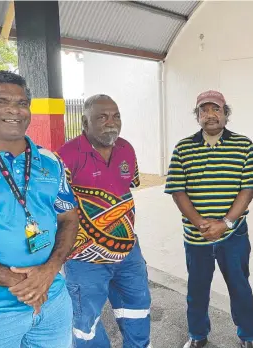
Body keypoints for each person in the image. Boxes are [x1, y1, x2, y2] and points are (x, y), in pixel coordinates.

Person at [0, 70, 79, 347]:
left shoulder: (50, 161)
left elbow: (68, 218)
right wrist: (24, 283)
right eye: (1, 101)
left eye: (21, 103)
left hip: (53, 300)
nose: (14, 110)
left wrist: (49, 271)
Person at [165, 90, 253, 348]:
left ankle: (247, 336)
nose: (210, 115)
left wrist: (225, 223)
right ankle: (197, 335)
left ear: (225, 114)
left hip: (234, 234)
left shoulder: (243, 145)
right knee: (197, 290)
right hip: (196, 236)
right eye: (203, 110)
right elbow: (177, 190)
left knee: (240, 288)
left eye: (216, 109)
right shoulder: (183, 148)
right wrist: (200, 223)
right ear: (197, 116)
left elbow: (248, 189)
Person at [58, 94, 151, 348]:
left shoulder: (126, 149)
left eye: (116, 116)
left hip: (128, 252)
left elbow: (130, 184)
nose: (111, 122)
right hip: (85, 259)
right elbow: (57, 208)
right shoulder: (66, 155)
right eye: (102, 117)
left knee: (137, 310)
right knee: (86, 324)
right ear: (85, 123)